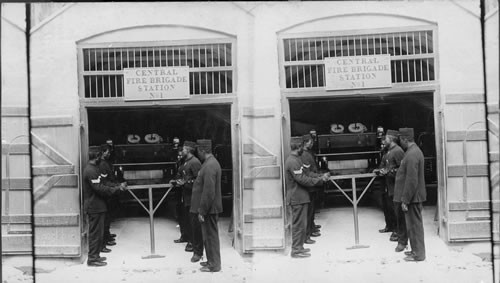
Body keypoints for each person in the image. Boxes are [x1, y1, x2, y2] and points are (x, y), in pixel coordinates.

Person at [285, 140, 329, 258]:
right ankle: (295, 250)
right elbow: (302, 179)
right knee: (298, 225)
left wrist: (320, 176)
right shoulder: (292, 161)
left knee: (302, 224)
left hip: (301, 197)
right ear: (298, 147)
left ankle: (299, 247)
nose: (303, 150)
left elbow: (307, 174)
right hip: (297, 197)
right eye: (302, 148)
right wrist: (319, 180)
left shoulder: (296, 160)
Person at [83, 150, 126, 267]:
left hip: (98, 206)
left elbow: (103, 184)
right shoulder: (90, 170)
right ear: (96, 156)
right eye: (99, 156)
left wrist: (116, 186)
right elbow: (100, 188)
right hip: (94, 207)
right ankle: (92, 259)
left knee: (98, 233)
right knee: (95, 234)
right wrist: (116, 189)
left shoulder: (93, 168)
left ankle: (95, 256)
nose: (101, 158)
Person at [191, 139, 223, 272]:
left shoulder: (209, 166)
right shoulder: (209, 163)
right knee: (208, 236)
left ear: (202, 150)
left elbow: (209, 192)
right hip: (209, 208)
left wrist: (202, 211)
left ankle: (214, 265)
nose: (197, 152)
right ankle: (211, 261)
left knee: (211, 237)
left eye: (198, 150)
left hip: (209, 208)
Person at [396, 128, 427, 262]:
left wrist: (405, 200)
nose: (400, 142)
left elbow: (412, 180)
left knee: (415, 227)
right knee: (412, 226)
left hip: (413, 197)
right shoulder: (412, 152)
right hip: (414, 197)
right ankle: (415, 250)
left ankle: (419, 254)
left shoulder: (412, 154)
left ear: (405, 139)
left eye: (401, 140)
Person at [172, 141, 202, 254]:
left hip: (192, 197)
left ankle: (192, 242)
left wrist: (184, 183)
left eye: (183, 149)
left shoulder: (195, 162)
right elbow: (181, 173)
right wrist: (176, 181)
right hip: (185, 195)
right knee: (185, 219)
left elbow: (198, 181)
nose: (181, 151)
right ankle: (186, 237)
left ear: (188, 150)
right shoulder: (185, 162)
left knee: (192, 221)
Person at [375, 130, 404, 242]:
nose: (384, 140)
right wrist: (379, 170)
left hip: (395, 186)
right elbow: (383, 165)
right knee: (388, 208)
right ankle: (390, 226)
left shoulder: (398, 151)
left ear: (391, 139)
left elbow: (401, 170)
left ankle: (397, 231)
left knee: (395, 210)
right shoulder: (387, 151)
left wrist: (388, 171)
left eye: (386, 138)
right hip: (387, 185)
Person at [301, 134, 322, 244]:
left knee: (312, 209)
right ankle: (307, 233)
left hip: (312, 185)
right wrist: (318, 176)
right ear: (305, 142)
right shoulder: (304, 155)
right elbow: (307, 172)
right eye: (310, 142)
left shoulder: (308, 153)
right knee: (309, 211)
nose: (312, 143)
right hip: (309, 186)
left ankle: (312, 227)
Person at [99, 144, 119, 250]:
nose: (109, 154)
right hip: (106, 193)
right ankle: (104, 241)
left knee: (108, 217)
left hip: (109, 191)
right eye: (108, 152)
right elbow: (105, 181)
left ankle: (107, 236)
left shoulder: (105, 163)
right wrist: (115, 186)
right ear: (103, 152)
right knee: (105, 218)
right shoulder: (102, 164)